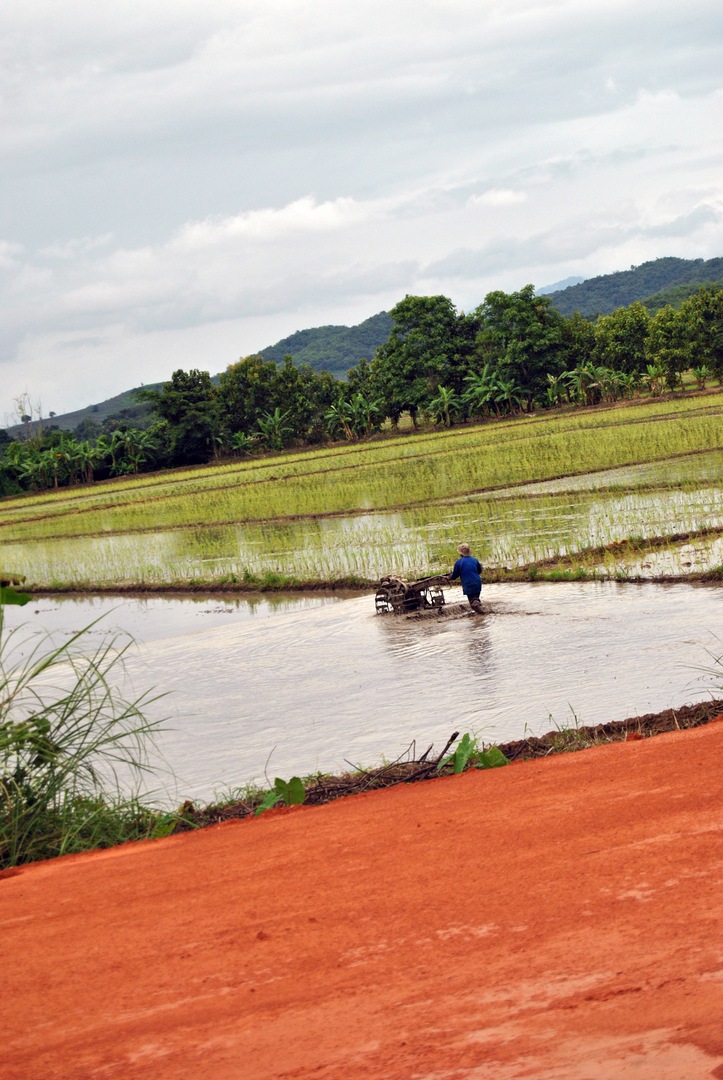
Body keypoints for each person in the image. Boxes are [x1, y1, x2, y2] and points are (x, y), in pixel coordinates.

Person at [448, 542, 483, 613]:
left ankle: (479, 615)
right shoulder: (475, 560)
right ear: (469, 552)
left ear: (460, 554)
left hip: (467, 584)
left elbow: (455, 575)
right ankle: (478, 606)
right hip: (477, 582)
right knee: (476, 597)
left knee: (472, 602)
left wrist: (449, 577)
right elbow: (479, 570)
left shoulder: (459, 562)